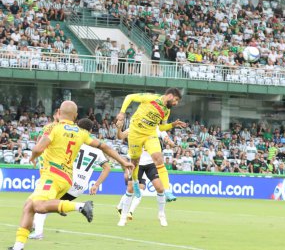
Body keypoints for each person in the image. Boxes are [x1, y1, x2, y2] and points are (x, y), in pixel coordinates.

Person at [8, 101, 133, 250]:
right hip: (67, 178)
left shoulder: (53, 127)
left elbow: (38, 148)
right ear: (75, 116)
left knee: (38, 206)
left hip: (52, 174)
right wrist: (123, 161)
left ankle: (80, 206)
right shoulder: (81, 133)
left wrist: (33, 157)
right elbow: (105, 146)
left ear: (59, 113)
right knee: (29, 206)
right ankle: (18, 246)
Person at [29, 118, 111, 240]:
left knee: (43, 202)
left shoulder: (74, 141)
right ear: (90, 130)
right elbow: (107, 168)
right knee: (49, 204)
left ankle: (38, 231)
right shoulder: (97, 149)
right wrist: (96, 185)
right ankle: (56, 210)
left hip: (67, 178)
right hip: (80, 187)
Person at [116, 88, 186, 202]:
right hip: (135, 133)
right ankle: (135, 182)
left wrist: (173, 125)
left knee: (158, 158)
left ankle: (167, 190)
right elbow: (130, 96)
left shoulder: (166, 111)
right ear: (170, 96)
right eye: (176, 100)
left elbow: (161, 127)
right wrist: (122, 112)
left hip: (150, 134)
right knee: (134, 162)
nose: (176, 103)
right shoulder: (151, 98)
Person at [116, 127, 171, 227]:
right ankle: (123, 217)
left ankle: (161, 215)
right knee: (130, 189)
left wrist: (169, 141)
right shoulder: (135, 126)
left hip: (151, 164)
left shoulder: (156, 128)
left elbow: (165, 136)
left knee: (160, 188)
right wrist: (119, 128)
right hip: (137, 163)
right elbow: (120, 136)